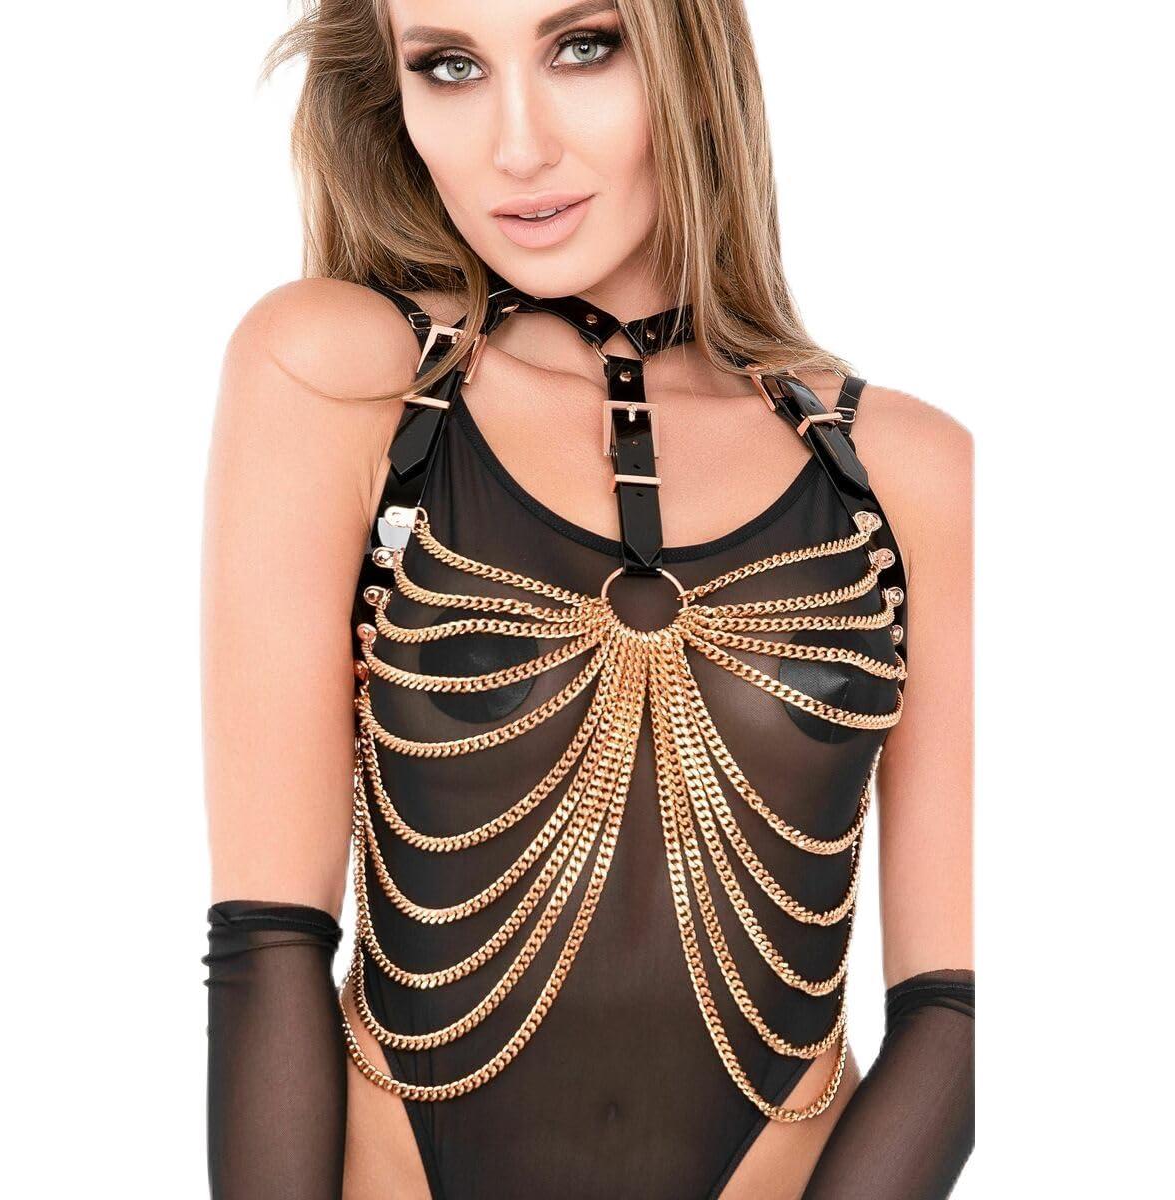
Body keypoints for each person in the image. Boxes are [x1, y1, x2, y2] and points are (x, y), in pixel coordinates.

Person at [200, 2, 974, 1198]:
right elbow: (267, 942)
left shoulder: (908, 473)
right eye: (450, 66)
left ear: (689, 55)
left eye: (582, 46)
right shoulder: (339, 378)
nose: (518, 146)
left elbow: (958, 1012)